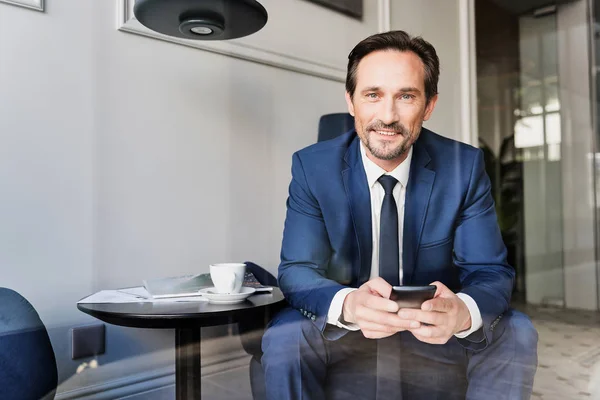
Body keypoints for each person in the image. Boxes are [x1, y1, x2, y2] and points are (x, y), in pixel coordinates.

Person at [261, 30, 538, 400]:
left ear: (428, 106)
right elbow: (296, 270)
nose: (387, 116)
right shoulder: (312, 168)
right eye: (372, 95)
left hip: (433, 332)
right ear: (351, 101)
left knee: (517, 330)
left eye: (406, 96)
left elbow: (490, 271)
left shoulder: (464, 167)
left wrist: (461, 312)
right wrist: (349, 304)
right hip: (348, 332)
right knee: (286, 334)